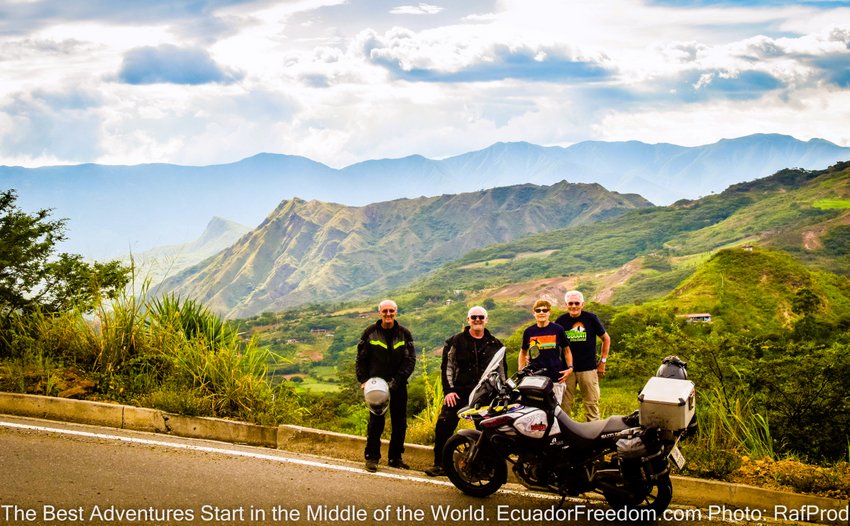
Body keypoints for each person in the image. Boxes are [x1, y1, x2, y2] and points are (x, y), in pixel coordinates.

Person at [424, 306, 505, 477]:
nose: (477, 320)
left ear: (486, 319)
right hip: (459, 392)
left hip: (484, 395)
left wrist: (502, 394)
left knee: (487, 432)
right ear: (468, 320)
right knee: (444, 425)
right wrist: (449, 391)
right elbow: (447, 367)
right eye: (473, 317)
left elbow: (501, 371)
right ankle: (439, 464)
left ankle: (485, 469)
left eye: (481, 317)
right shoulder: (455, 341)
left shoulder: (496, 344)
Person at [355, 299, 416, 472]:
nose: (388, 314)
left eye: (391, 311)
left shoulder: (404, 334)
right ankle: (372, 457)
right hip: (376, 386)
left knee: (400, 422)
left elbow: (410, 360)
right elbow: (361, 359)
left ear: (396, 312)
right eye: (385, 311)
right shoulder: (370, 333)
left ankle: (395, 458)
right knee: (376, 422)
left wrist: (396, 382)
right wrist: (363, 380)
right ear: (379, 312)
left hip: (398, 385)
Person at [554, 290, 610, 421]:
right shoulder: (560, 321)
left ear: (582, 304)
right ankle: (565, 436)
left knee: (591, 404)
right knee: (564, 406)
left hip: (588, 368)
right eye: (571, 303)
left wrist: (603, 362)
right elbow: (554, 345)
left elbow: (606, 339)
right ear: (566, 305)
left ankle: (593, 435)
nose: (574, 306)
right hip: (567, 370)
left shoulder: (591, 318)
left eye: (577, 303)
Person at [518, 299, 573, 404]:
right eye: (538, 310)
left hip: (555, 377)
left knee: (555, 410)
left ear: (549, 312)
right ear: (534, 313)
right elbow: (523, 352)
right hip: (535, 378)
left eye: (545, 310)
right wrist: (521, 371)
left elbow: (567, 350)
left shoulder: (558, 329)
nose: (541, 312)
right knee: (537, 410)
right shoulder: (528, 331)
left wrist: (570, 368)